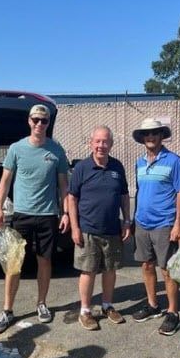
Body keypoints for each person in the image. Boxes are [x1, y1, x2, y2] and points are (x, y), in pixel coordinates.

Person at [0, 104, 70, 333]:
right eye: (35, 119)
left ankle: (41, 304)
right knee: (14, 263)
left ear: (48, 123)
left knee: (44, 260)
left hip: (47, 215)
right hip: (22, 215)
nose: (39, 124)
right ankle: (7, 309)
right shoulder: (16, 149)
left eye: (44, 120)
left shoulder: (56, 150)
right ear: (29, 121)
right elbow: (5, 181)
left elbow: (63, 185)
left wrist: (65, 212)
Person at [68, 125, 131, 331]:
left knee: (110, 270)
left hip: (112, 229)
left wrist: (127, 221)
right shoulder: (82, 168)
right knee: (88, 271)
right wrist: (75, 227)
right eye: (97, 141)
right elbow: (72, 198)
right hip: (88, 230)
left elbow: (124, 195)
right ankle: (85, 311)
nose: (101, 145)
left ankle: (107, 306)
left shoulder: (117, 167)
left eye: (105, 142)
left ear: (111, 144)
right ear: (91, 143)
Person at [131, 118, 180, 336]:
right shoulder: (139, 163)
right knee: (146, 265)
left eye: (155, 132)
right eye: (147, 133)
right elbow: (139, 190)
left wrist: (178, 225)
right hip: (142, 223)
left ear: (162, 136)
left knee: (167, 269)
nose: (151, 136)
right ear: (142, 138)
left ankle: (173, 312)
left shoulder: (174, 161)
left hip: (164, 223)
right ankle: (153, 305)